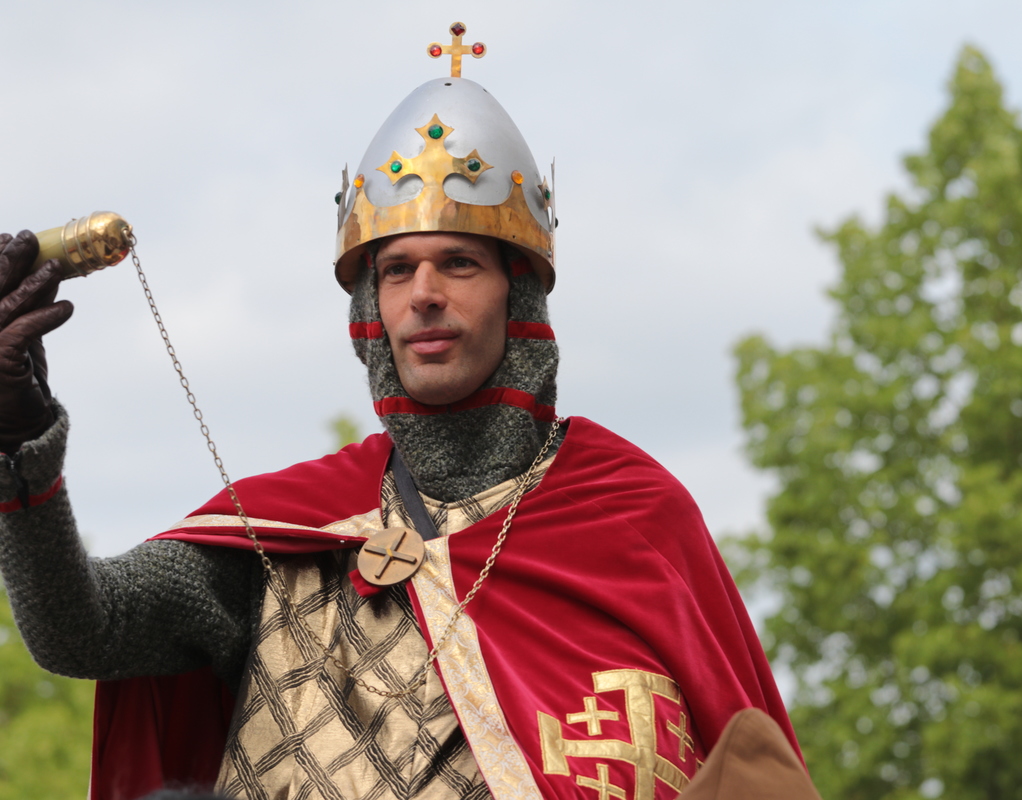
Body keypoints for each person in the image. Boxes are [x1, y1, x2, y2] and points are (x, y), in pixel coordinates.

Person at [0, 25, 818, 800]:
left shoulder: (634, 520)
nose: (424, 293)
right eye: (395, 270)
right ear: (371, 307)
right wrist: (18, 441)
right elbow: (81, 629)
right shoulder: (287, 534)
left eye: (458, 263)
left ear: (517, 295)